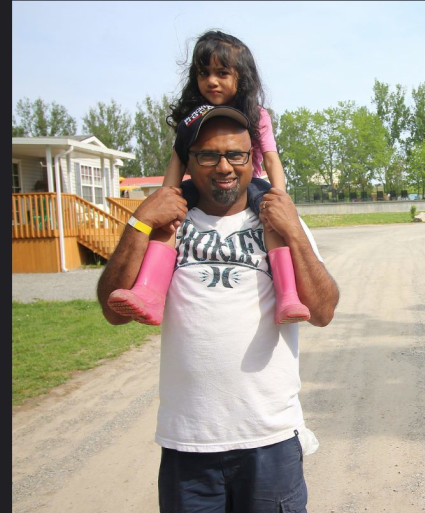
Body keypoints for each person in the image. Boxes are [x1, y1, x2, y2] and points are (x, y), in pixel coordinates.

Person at [97, 106, 339, 513]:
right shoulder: (165, 226)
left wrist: (295, 229)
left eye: (236, 155)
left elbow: (322, 311)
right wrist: (139, 222)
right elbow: (114, 310)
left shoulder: (278, 222)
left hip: (270, 437)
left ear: (252, 159)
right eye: (208, 155)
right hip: (188, 443)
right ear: (189, 161)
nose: (224, 167)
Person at [107, 29, 310, 326]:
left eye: (222, 73)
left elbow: (270, 157)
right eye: (204, 73)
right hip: (200, 185)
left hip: (248, 184)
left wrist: (281, 197)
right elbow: (178, 156)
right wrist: (168, 198)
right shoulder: (192, 114)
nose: (211, 81)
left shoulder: (256, 114)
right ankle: (149, 291)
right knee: (169, 220)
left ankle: (288, 294)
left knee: (273, 222)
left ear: (242, 77)